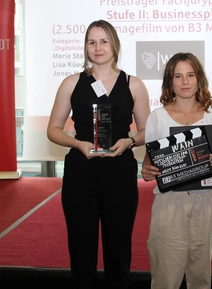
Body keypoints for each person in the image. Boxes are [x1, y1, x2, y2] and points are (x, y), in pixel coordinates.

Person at [47, 19, 150, 289]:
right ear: (85, 47)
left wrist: (129, 140)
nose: (98, 47)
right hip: (81, 174)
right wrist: (79, 144)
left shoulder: (134, 84)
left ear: (114, 44)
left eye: (103, 41)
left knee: (118, 250)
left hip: (120, 174)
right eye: (92, 42)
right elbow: (53, 130)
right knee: (81, 249)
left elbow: (147, 131)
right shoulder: (71, 83)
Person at [141, 52, 212, 289]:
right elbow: (147, 163)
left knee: (200, 277)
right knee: (165, 278)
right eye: (178, 76)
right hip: (169, 204)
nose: (185, 82)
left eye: (190, 75)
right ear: (170, 81)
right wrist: (147, 171)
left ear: (199, 78)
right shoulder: (157, 118)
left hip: (205, 202)